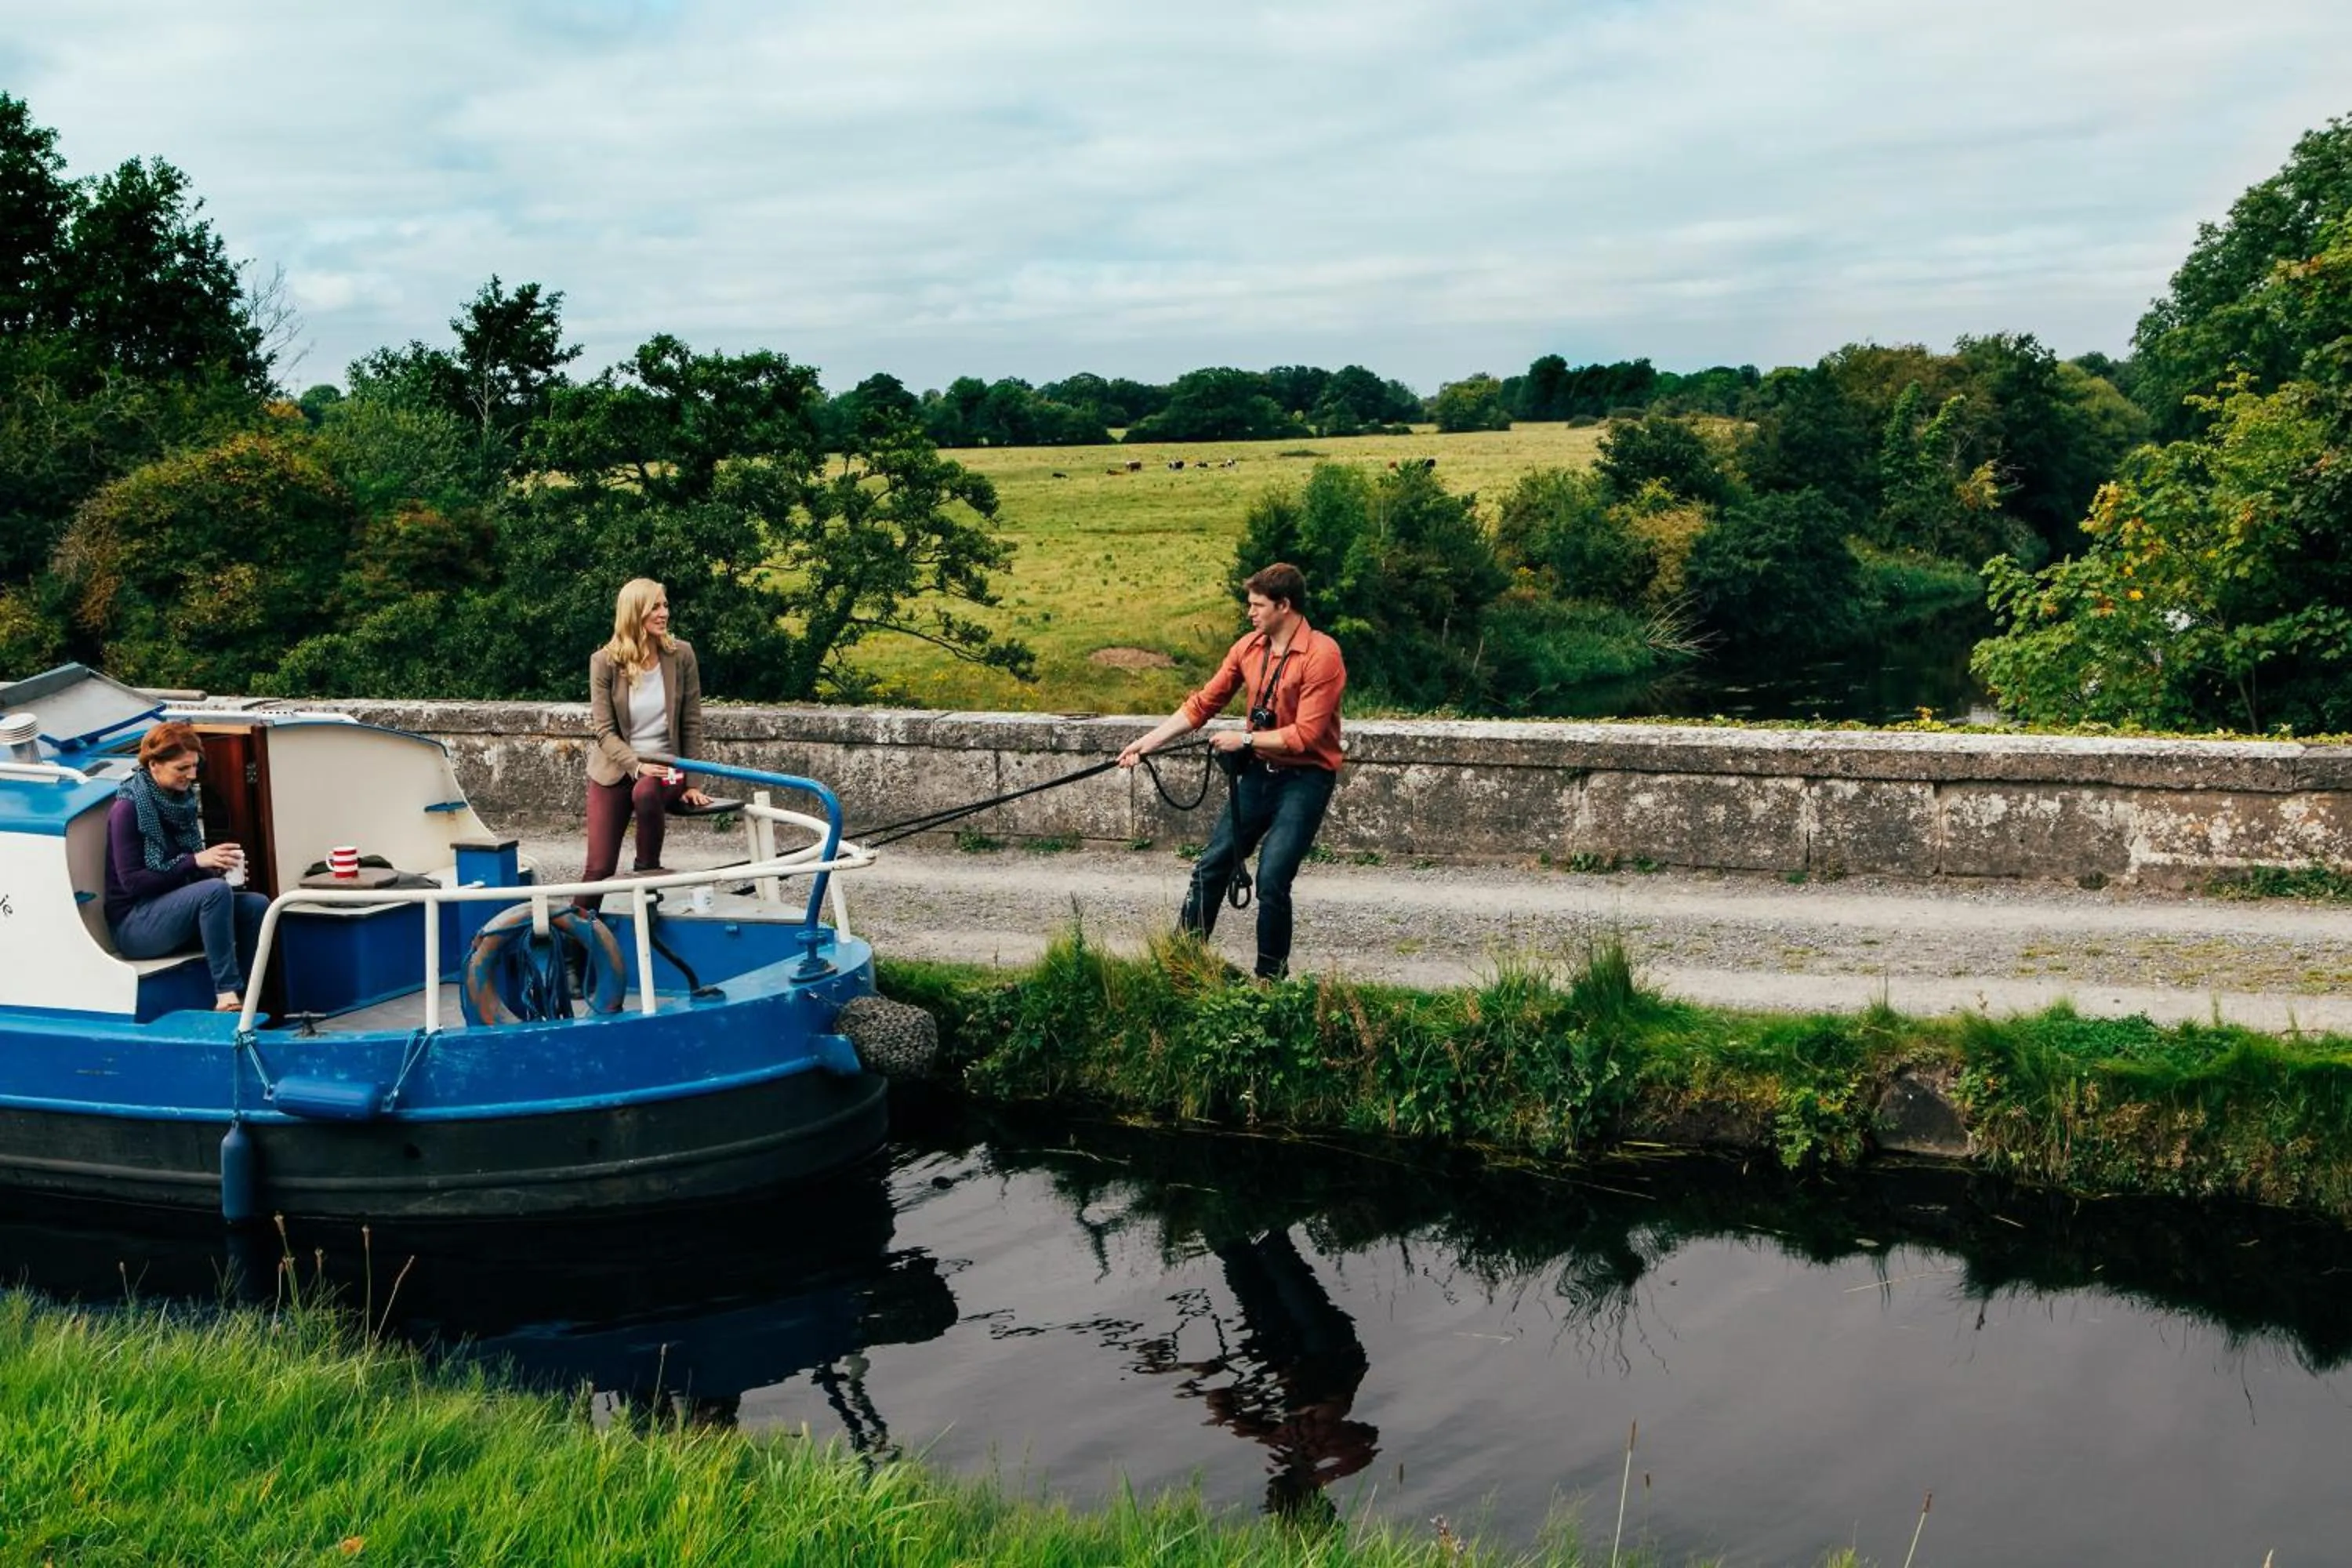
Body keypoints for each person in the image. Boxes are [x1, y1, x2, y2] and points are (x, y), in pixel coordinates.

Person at [1118, 563, 1345, 980]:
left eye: (1258, 605)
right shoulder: (1248, 648)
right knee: (1212, 864)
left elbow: (1306, 736)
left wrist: (1244, 740)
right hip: (1260, 773)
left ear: (1284, 605)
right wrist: (1147, 743)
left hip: (1306, 778)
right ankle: (1181, 966)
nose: (1250, 612)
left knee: (1272, 877)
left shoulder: (1322, 654)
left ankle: (1269, 982)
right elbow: (1203, 704)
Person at [104, 721, 268, 1012]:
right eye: (182, 768)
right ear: (154, 765)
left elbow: (183, 872)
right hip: (134, 925)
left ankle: (248, 995)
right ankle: (226, 995)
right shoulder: (127, 809)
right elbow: (134, 882)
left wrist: (215, 869)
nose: (192, 776)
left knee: (256, 905)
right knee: (214, 892)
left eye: (195, 766)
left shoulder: (180, 803)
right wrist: (195, 861)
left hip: (169, 912)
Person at [583, 578, 713, 903]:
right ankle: (571, 932)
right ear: (634, 612)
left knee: (646, 791)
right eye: (654, 607)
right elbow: (604, 731)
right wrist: (636, 765)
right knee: (598, 869)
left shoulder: (681, 655)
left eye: (665, 605)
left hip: (667, 768)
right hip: (616, 769)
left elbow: (691, 723)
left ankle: (646, 875)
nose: (664, 613)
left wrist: (693, 782)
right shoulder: (604, 662)